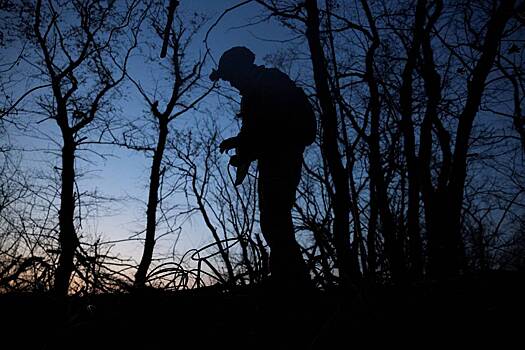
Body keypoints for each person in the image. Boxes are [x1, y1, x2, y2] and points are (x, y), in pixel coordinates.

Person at [210, 46, 316, 290]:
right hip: (275, 157)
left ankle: (290, 281)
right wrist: (241, 146)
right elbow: (258, 131)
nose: (232, 83)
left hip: (283, 157)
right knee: (274, 218)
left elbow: (273, 126)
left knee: (275, 217)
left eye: (231, 76)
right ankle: (289, 278)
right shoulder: (255, 91)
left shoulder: (269, 83)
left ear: (242, 68)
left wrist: (247, 148)